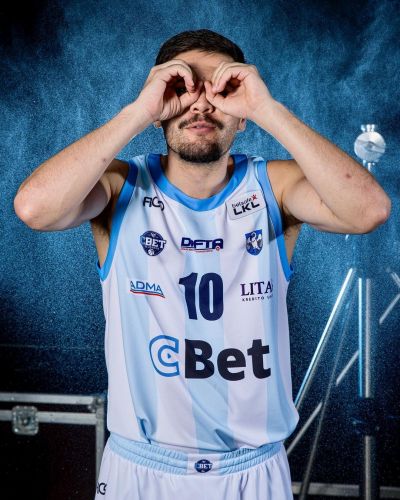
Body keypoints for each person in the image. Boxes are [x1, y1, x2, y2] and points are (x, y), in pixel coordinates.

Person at [14, 29, 391, 500]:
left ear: (242, 116)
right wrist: (139, 111)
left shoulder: (272, 187)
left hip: (252, 470)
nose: (200, 103)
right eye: (182, 86)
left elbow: (368, 211)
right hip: (142, 469)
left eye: (222, 89)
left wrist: (266, 108)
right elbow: (34, 208)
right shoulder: (121, 184)